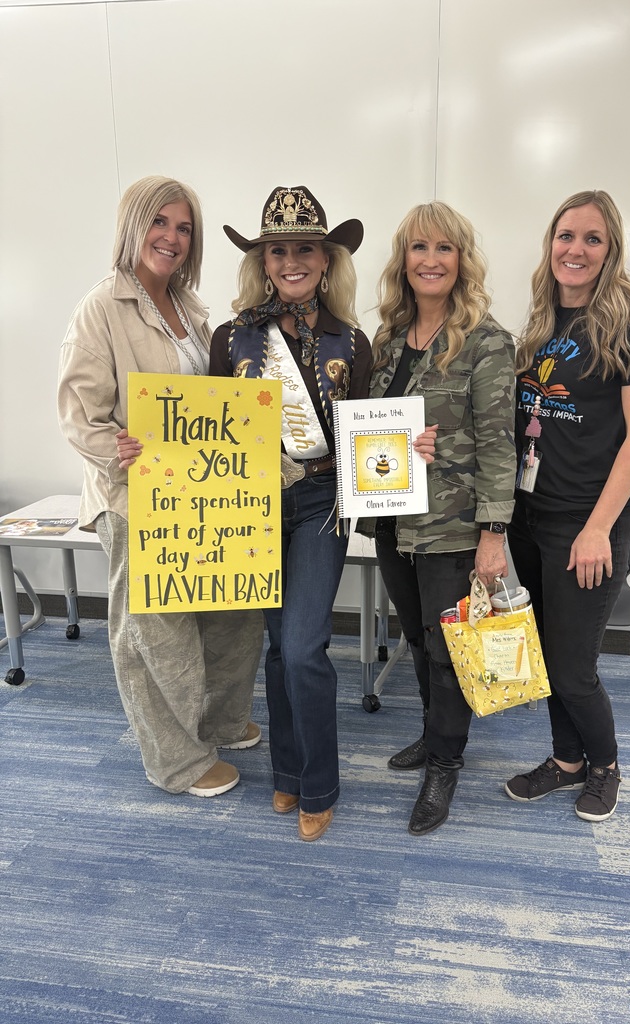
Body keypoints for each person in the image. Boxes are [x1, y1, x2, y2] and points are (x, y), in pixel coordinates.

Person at [58, 176, 264, 797]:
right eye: (159, 222)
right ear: (133, 225)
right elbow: (79, 414)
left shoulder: (191, 308)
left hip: (205, 492)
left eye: (184, 228)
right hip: (135, 496)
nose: (172, 237)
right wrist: (114, 448)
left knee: (233, 610)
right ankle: (177, 761)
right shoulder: (101, 307)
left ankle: (221, 721)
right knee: (157, 631)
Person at [209, 185, 372, 841]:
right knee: (278, 649)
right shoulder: (232, 338)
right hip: (252, 504)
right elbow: (209, 430)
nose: (292, 261)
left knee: (304, 646)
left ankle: (320, 784)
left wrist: (403, 451)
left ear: (327, 260)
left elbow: (368, 436)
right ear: (264, 261)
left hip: (320, 504)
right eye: (278, 251)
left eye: (306, 248)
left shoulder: (352, 342)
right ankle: (288, 772)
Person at [504, 189, 630, 822]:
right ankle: (566, 761)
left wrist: (599, 528)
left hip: (587, 522)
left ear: (611, 249)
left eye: (592, 238)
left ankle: (606, 767)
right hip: (531, 514)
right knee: (549, 656)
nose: (575, 249)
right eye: (566, 236)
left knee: (573, 668)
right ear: (551, 244)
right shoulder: (544, 318)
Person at [363, 201, 517, 835]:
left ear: (461, 259)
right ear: (403, 260)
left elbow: (499, 444)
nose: (431, 260)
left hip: (453, 524)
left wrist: (494, 535)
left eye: (444, 248)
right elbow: (370, 429)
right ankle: (434, 734)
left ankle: (445, 765)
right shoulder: (387, 339)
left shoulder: (487, 341)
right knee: (421, 641)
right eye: (419, 247)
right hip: (394, 522)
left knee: (452, 648)